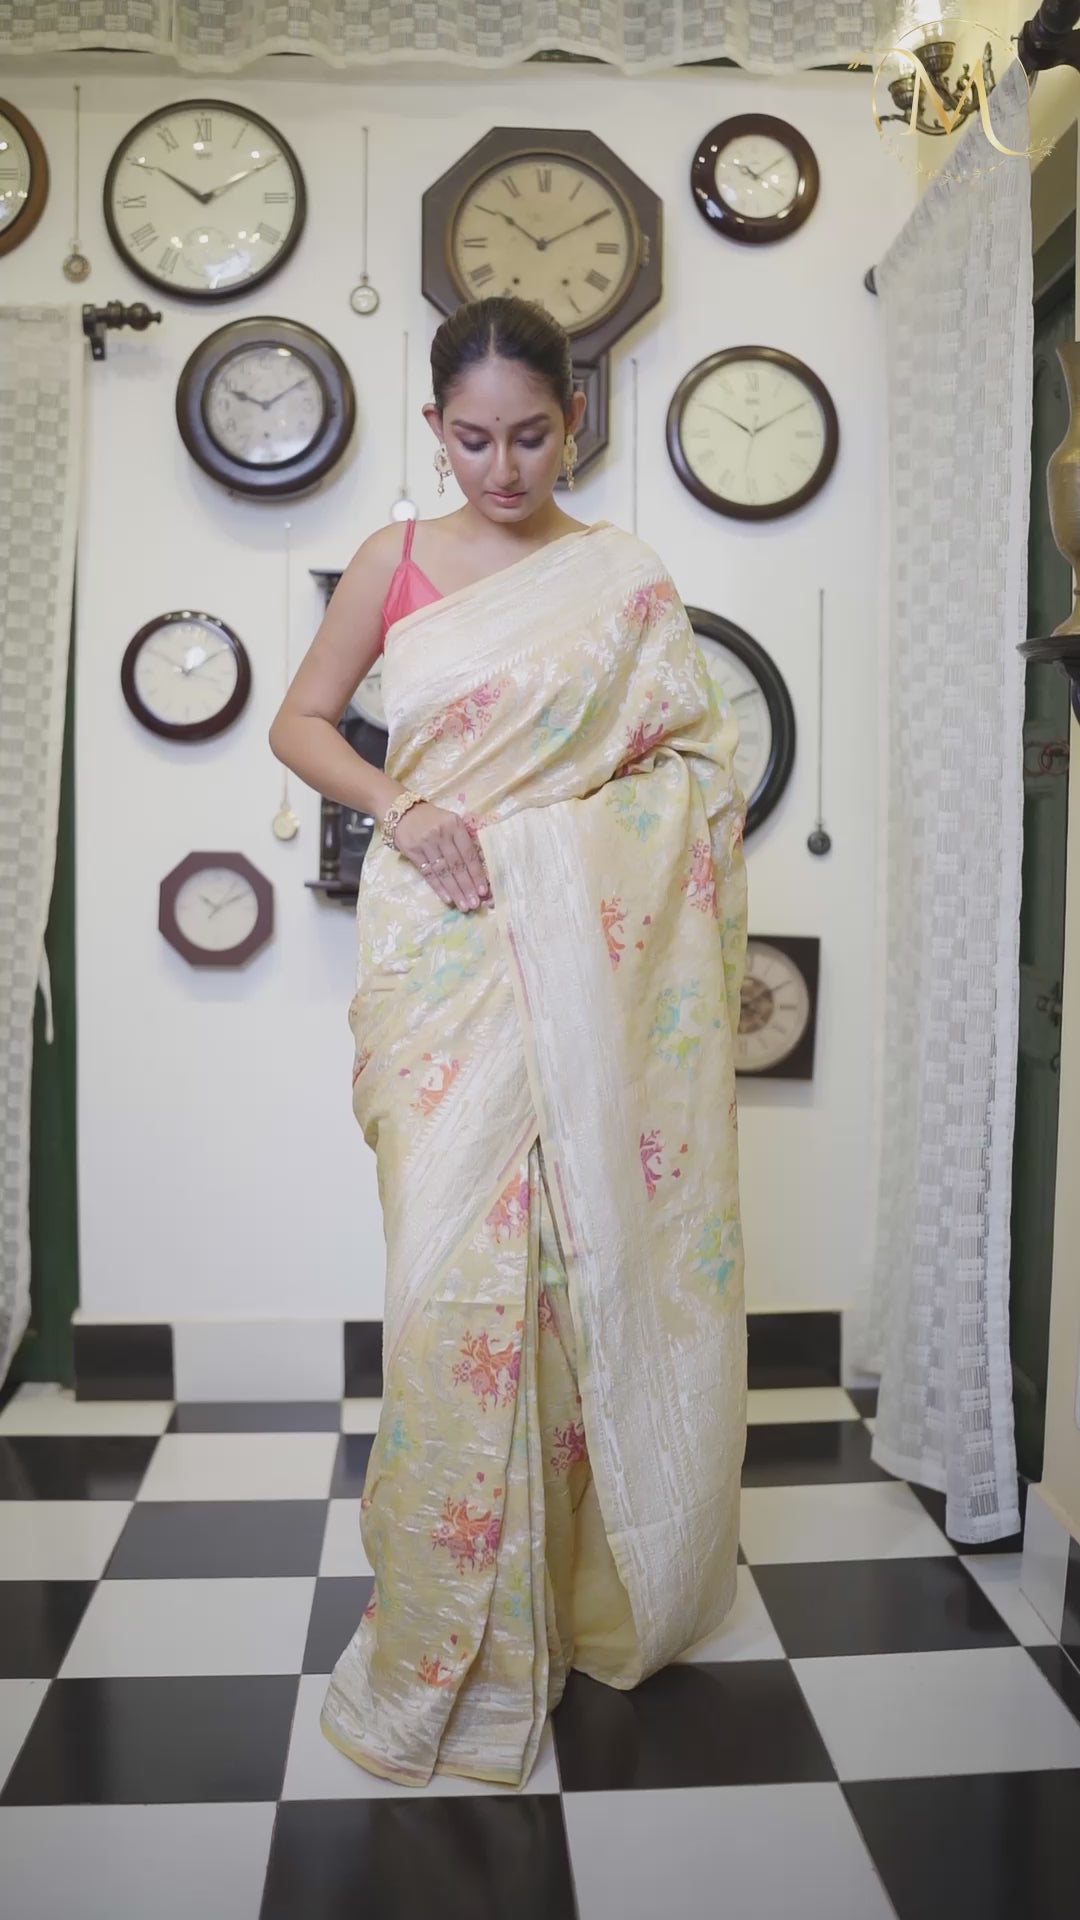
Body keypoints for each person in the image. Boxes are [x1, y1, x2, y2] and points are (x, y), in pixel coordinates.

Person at [268, 294, 749, 1791]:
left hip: (583, 968)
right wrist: (402, 806)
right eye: (472, 439)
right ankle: (444, 1631)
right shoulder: (394, 559)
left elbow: (696, 769)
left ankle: (565, 1606)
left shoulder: (623, 579)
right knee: (445, 1298)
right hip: (437, 961)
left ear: (575, 420)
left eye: (531, 435)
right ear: (435, 429)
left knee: (563, 1275)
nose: (502, 467)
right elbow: (301, 723)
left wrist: (553, 852)